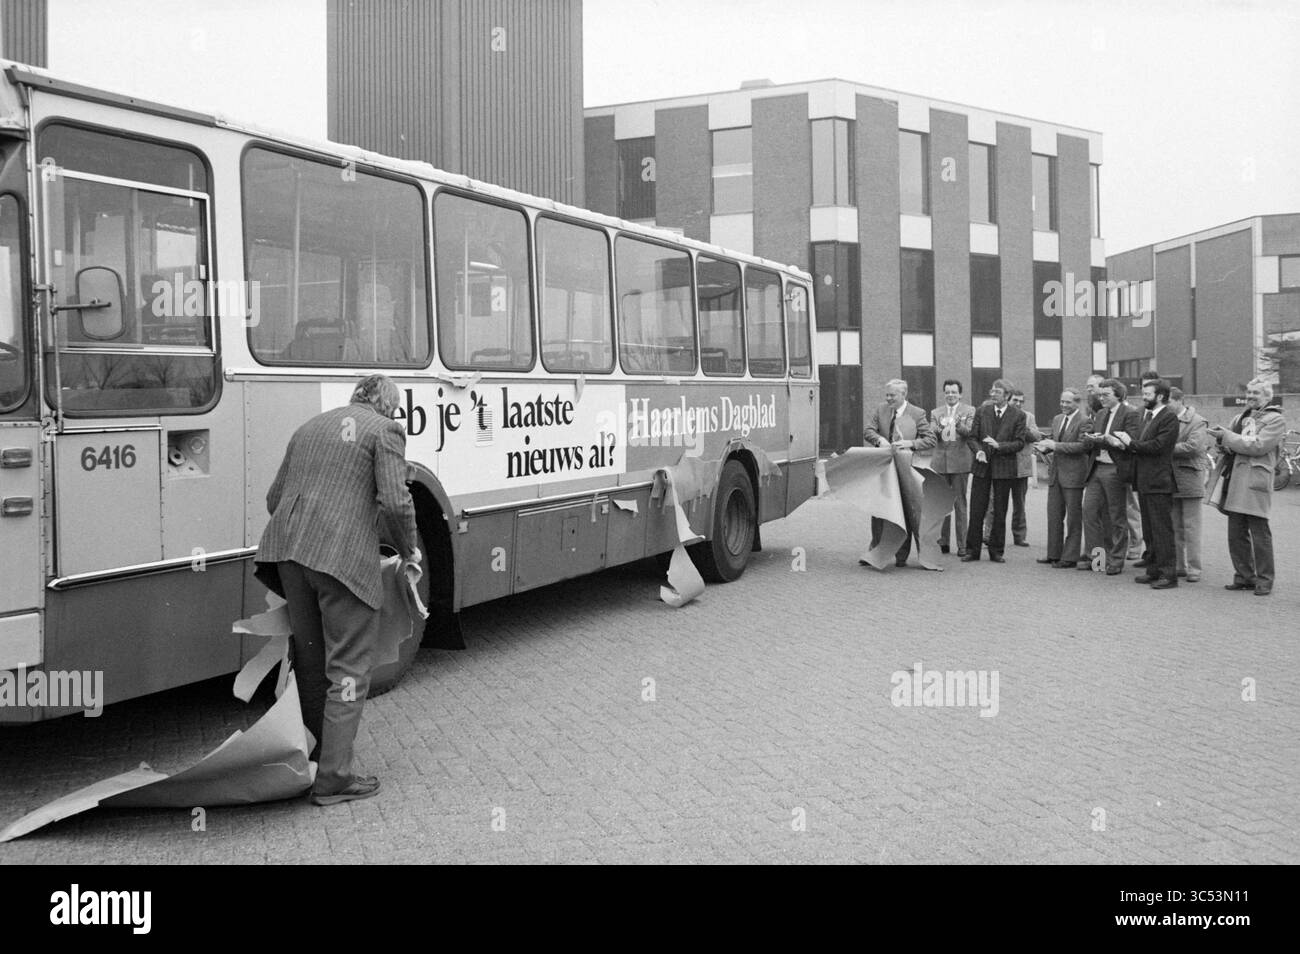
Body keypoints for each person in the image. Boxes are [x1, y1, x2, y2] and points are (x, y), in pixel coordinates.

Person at [255, 373, 421, 805]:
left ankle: (311, 760)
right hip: (341, 562)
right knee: (348, 669)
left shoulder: (310, 427)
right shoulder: (385, 429)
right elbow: (395, 500)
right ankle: (334, 779)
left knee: (312, 665)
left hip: (290, 556)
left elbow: (275, 499)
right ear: (388, 407)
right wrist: (409, 550)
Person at [1207, 378, 1287, 596]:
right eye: (1249, 393)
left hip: (1254, 483)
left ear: (1267, 396)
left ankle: (1264, 581)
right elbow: (1234, 444)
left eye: (1256, 394)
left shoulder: (1275, 420)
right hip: (1235, 480)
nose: (1251, 397)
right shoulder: (1241, 417)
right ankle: (1244, 576)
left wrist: (1228, 436)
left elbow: (1259, 445)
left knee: (1260, 534)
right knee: (1236, 533)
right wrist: (1221, 441)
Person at [1108, 379, 1179, 589]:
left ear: (1159, 396)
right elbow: (1141, 446)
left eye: (1147, 393)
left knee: (1162, 530)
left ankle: (1169, 574)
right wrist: (1123, 443)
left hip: (1159, 482)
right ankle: (1154, 569)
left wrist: (1130, 443)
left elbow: (1158, 446)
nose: (1143, 397)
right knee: (1149, 529)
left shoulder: (1169, 418)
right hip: (1145, 481)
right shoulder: (1146, 416)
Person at [863, 378, 936, 566]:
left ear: (904, 395)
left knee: (905, 509)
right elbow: (869, 430)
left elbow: (930, 439)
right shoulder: (881, 410)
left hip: (906, 468)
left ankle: (901, 556)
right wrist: (879, 440)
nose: (888, 398)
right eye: (886, 394)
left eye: (892, 395)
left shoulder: (917, 413)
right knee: (880, 511)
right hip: (884, 469)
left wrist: (910, 443)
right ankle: (876, 551)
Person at [962, 379, 1026, 563]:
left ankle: (996, 551)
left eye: (997, 391)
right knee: (977, 509)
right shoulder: (982, 411)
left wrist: (999, 446)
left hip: (1004, 469)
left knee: (1000, 510)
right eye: (992, 390)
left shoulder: (1018, 416)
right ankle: (972, 550)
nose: (992, 394)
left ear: (1007, 396)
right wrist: (979, 451)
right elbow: (972, 437)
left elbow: (1020, 443)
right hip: (982, 467)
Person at [1081, 378, 1140, 575]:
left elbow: (1130, 442)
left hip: (1115, 469)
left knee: (1116, 516)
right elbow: (1095, 440)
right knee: (1089, 512)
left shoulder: (1130, 413)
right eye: (1100, 395)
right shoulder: (1100, 414)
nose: (1102, 398)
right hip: (1097, 467)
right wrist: (1090, 439)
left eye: (1106, 395)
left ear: (1119, 395)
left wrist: (1110, 440)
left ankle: (1116, 559)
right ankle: (1096, 558)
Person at [1034, 388, 1092, 568]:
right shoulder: (1058, 419)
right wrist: (1045, 446)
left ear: (1077, 402)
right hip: (1056, 475)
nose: (1064, 405)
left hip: (1074, 476)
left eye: (1068, 402)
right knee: (1054, 516)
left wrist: (1055, 445)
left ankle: (1070, 556)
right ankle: (1054, 554)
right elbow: (1054, 441)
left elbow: (1083, 446)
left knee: (1073, 518)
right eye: (1062, 401)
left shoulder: (1085, 421)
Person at [930, 379, 976, 556]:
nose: (950, 395)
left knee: (960, 504)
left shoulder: (969, 411)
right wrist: (940, 426)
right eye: (947, 392)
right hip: (940, 463)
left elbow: (971, 432)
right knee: (942, 504)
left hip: (960, 463)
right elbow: (931, 432)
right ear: (944, 394)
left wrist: (957, 424)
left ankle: (963, 544)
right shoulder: (936, 412)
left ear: (960, 394)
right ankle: (943, 542)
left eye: (954, 392)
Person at [1168, 388, 1208, 582]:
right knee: (1175, 525)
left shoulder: (1198, 421)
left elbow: (1194, 446)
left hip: (1190, 477)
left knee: (1192, 526)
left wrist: (1164, 448)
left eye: (1168, 401)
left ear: (1180, 401)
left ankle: (1194, 568)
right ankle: (1179, 565)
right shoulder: (1167, 419)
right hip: (1171, 478)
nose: (1165, 405)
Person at [994, 388, 1041, 548]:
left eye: (1021, 401)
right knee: (997, 503)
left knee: (1019, 503)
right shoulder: (1000, 415)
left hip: (1021, 466)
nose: (1018, 404)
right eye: (1015, 400)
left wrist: (1022, 428)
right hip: (1002, 466)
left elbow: (1036, 436)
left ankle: (1019, 536)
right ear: (1008, 400)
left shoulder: (1028, 417)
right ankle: (992, 535)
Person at [1127, 369, 1163, 563]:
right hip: (1140, 469)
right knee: (1144, 515)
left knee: (1160, 519)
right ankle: (1148, 554)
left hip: (1159, 473)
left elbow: (1160, 443)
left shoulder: (1167, 412)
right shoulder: (1138, 412)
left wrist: (1133, 444)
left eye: (1150, 386)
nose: (1145, 391)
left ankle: (1165, 560)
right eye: (1143, 387)